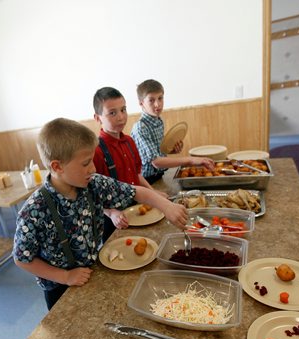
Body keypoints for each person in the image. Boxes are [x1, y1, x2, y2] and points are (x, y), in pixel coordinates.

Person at [13, 118, 188, 310]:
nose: (93, 169)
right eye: (86, 163)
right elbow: (22, 258)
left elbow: (137, 191)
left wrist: (166, 206)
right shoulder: (34, 210)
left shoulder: (93, 184)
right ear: (57, 167)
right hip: (58, 288)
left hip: (91, 271)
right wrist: (66, 276)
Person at [92, 86, 167, 242]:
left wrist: (152, 193)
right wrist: (111, 212)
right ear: (98, 118)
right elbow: (92, 194)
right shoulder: (96, 151)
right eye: (112, 113)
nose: (121, 117)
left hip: (134, 208)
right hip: (114, 219)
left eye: (123, 110)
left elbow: (137, 174)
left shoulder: (129, 142)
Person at [131, 79, 215, 184]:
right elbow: (156, 162)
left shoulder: (158, 121)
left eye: (160, 98)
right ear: (141, 103)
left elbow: (157, 152)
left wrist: (171, 150)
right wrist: (190, 160)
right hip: (146, 181)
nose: (157, 104)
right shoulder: (140, 127)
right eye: (151, 100)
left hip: (159, 175)